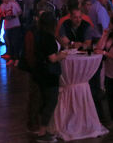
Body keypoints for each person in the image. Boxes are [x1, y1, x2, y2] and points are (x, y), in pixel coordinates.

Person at [32, 12, 66, 142]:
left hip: (40, 72)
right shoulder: (49, 37)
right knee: (51, 101)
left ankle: (41, 128)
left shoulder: (39, 34)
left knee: (44, 100)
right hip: (49, 74)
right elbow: (52, 58)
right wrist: (61, 56)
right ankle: (42, 131)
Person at [0, 0, 23, 64]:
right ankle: (12, 58)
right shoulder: (2, 6)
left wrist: (14, 16)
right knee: (9, 42)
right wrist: (2, 16)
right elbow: (0, 14)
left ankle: (17, 58)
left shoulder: (14, 3)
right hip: (7, 26)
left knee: (15, 42)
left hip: (15, 25)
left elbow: (20, 11)